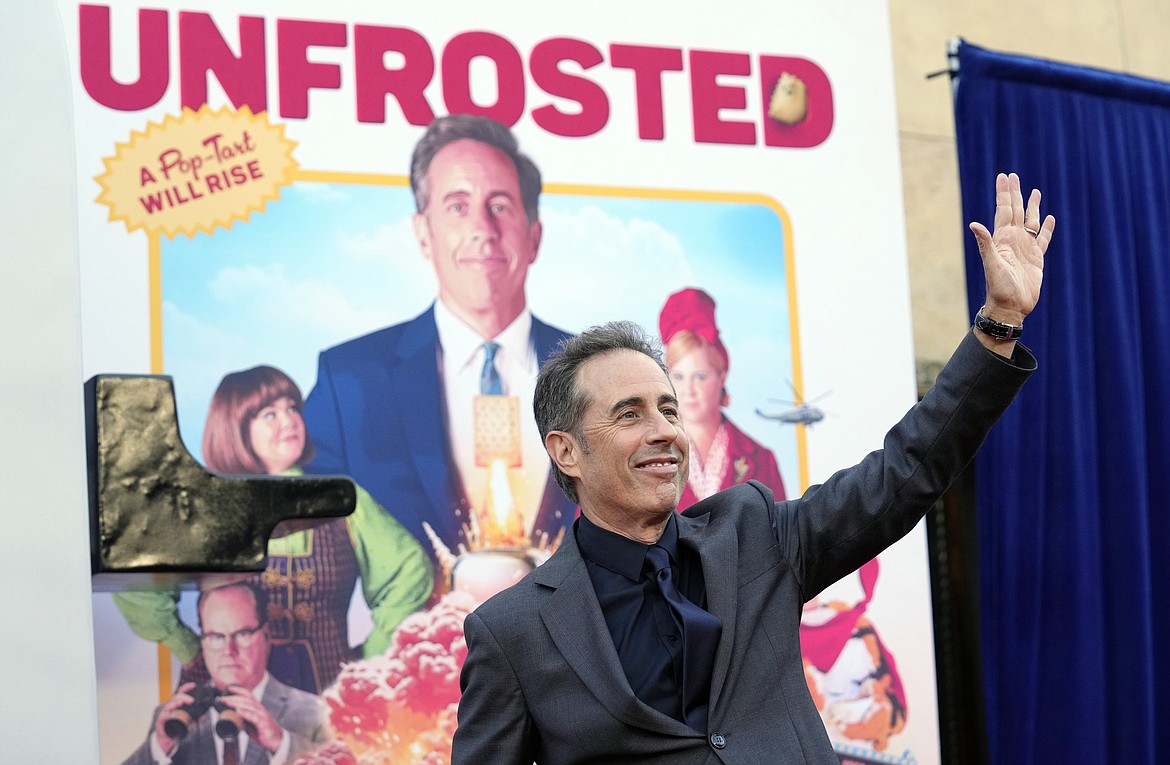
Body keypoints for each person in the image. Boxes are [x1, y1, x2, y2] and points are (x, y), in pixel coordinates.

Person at [451, 173, 1054, 763]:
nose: (664, 429)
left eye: (668, 408)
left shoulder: (755, 535)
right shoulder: (515, 632)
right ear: (567, 450)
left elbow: (906, 468)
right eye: (629, 414)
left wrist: (998, 323)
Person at [302, 114, 576, 570]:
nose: (483, 230)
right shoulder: (349, 382)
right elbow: (294, 538)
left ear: (534, 236)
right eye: (457, 206)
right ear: (423, 234)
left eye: (501, 205)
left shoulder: (603, 373)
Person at [114, 365, 433, 694]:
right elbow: (136, 578)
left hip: (325, 703)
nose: (289, 421)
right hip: (224, 701)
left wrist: (372, 658)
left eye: (292, 408)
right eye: (270, 414)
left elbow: (409, 572)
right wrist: (190, 651)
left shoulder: (342, 498)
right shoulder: (201, 507)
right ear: (236, 428)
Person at [122, 581, 331, 765]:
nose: (228, 651)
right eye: (215, 636)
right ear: (202, 641)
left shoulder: (315, 713)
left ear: (266, 636)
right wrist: (158, 747)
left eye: (242, 633)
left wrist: (281, 743)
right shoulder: (171, 718)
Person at [658, 287, 786, 510]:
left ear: (721, 375)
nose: (688, 389)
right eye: (678, 376)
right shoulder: (643, 451)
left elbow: (784, 537)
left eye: (700, 377)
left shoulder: (762, 460)